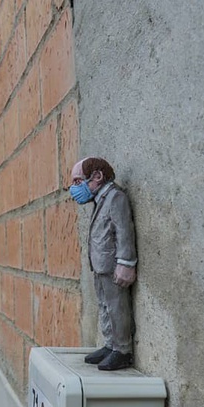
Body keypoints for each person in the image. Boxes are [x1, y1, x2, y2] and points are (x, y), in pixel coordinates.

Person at [69, 157, 137, 371]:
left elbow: (124, 232)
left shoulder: (115, 198)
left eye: (78, 182)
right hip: (99, 265)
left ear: (97, 176)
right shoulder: (101, 199)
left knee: (117, 307)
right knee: (104, 306)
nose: (74, 189)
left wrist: (125, 263)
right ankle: (110, 344)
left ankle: (122, 350)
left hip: (111, 266)